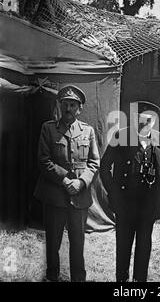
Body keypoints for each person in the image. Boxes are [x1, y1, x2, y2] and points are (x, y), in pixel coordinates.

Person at [100, 101, 160, 282]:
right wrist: (113, 192)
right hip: (125, 203)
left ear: (154, 121)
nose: (144, 123)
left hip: (148, 205)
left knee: (144, 247)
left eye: (148, 120)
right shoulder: (121, 136)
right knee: (123, 248)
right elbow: (105, 166)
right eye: (140, 120)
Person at [34, 84, 100, 282]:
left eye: (73, 105)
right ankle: (51, 276)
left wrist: (81, 182)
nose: (68, 109)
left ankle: (78, 278)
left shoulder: (88, 131)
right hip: (54, 194)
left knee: (78, 242)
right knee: (53, 242)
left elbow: (94, 162)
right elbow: (43, 160)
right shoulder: (48, 129)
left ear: (79, 109)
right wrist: (64, 179)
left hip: (79, 195)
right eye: (65, 104)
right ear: (59, 106)